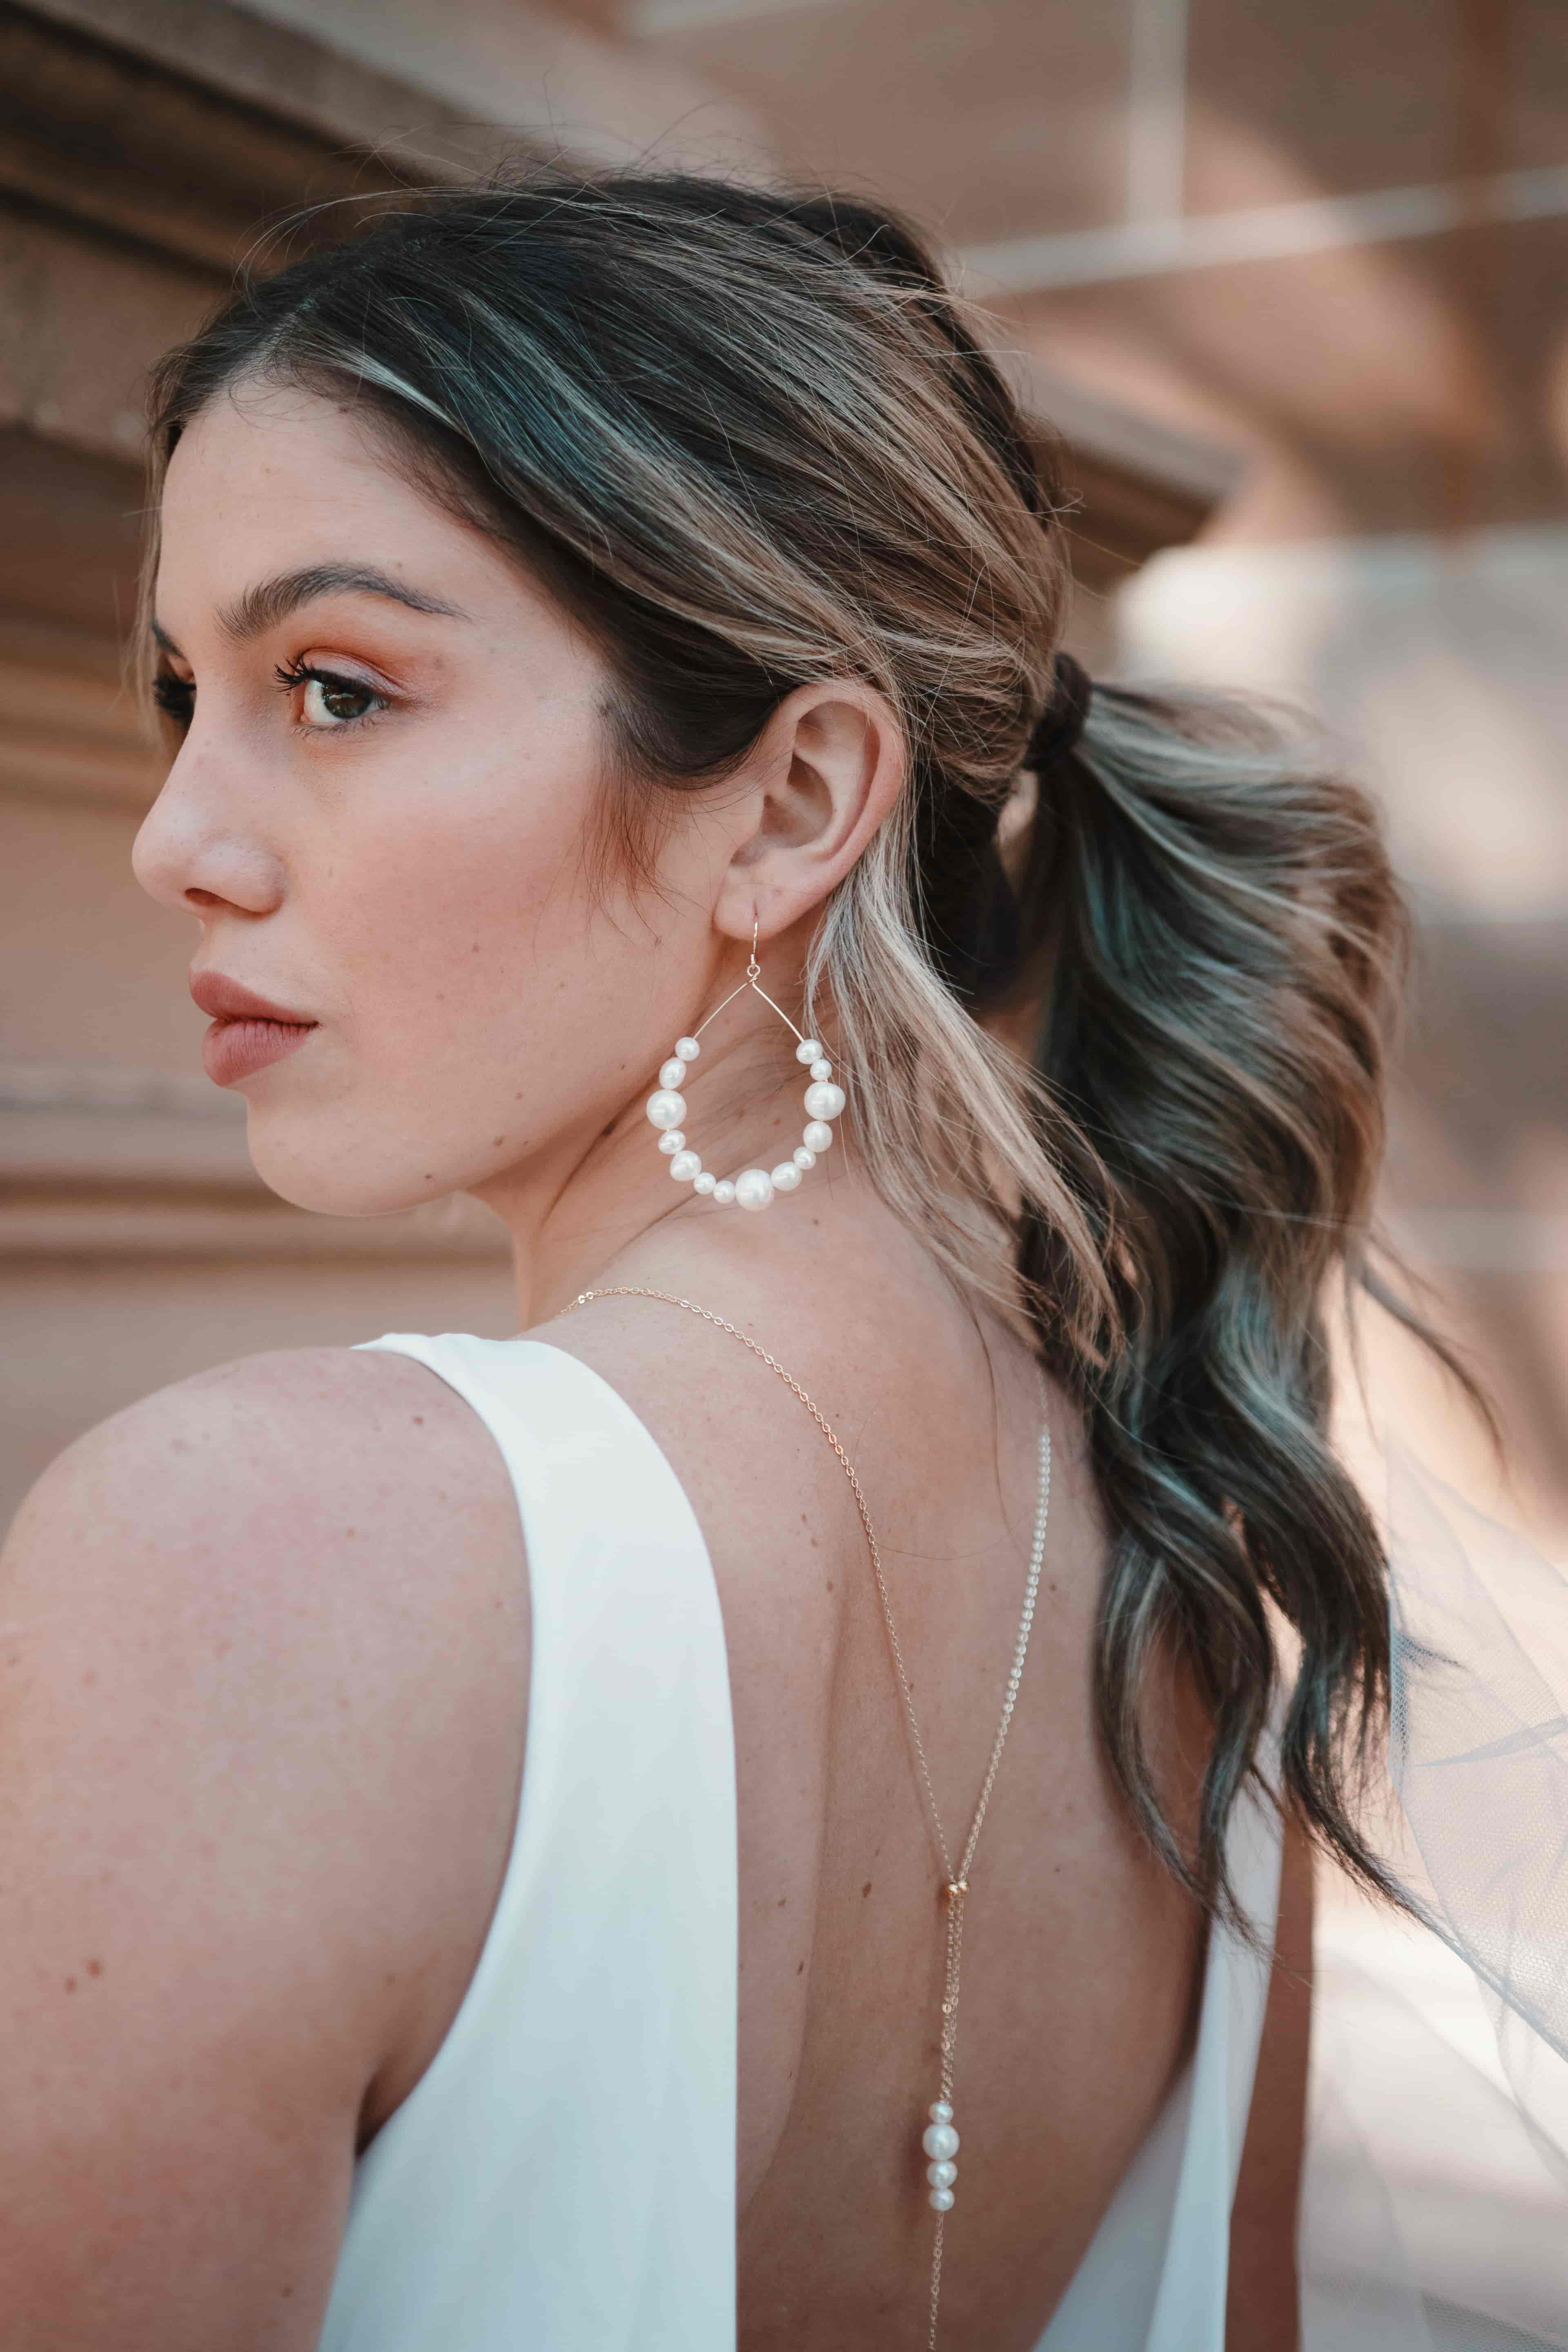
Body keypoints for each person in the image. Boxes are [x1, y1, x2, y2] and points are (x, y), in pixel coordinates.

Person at [0, 172, 1461, 2350]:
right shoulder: (1192, 1573)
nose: (175, 840)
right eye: (176, 690)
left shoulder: (255, 1557)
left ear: (790, 805)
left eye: (332, 687)